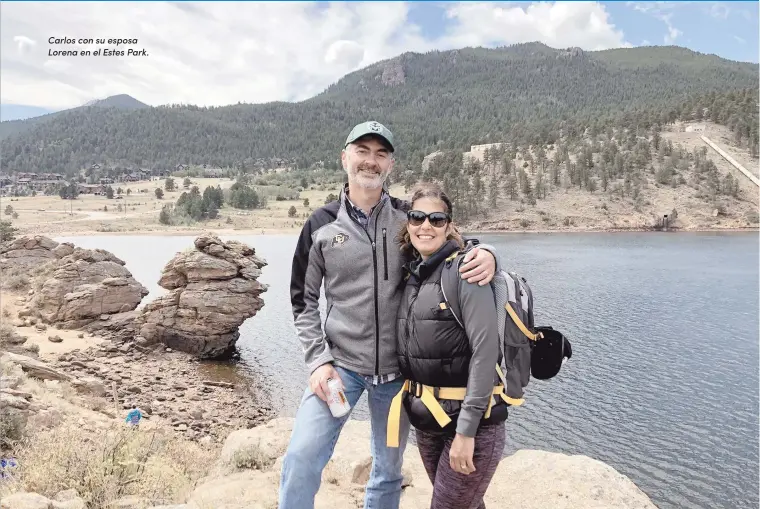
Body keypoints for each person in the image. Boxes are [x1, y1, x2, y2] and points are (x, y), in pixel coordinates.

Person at [279, 121, 501, 509]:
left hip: (398, 379)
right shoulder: (320, 225)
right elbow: (302, 299)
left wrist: (491, 254)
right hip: (340, 371)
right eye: (362, 151)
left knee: (387, 472)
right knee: (301, 457)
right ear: (345, 157)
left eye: (381, 153)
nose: (371, 161)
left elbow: (457, 245)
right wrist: (317, 361)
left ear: (391, 165)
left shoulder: (410, 218)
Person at [389, 182, 507, 509]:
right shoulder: (412, 273)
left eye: (436, 219)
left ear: (449, 225)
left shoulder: (466, 271)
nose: (426, 225)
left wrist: (466, 432)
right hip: (428, 423)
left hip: (474, 426)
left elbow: (486, 355)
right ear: (408, 223)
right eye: (417, 217)